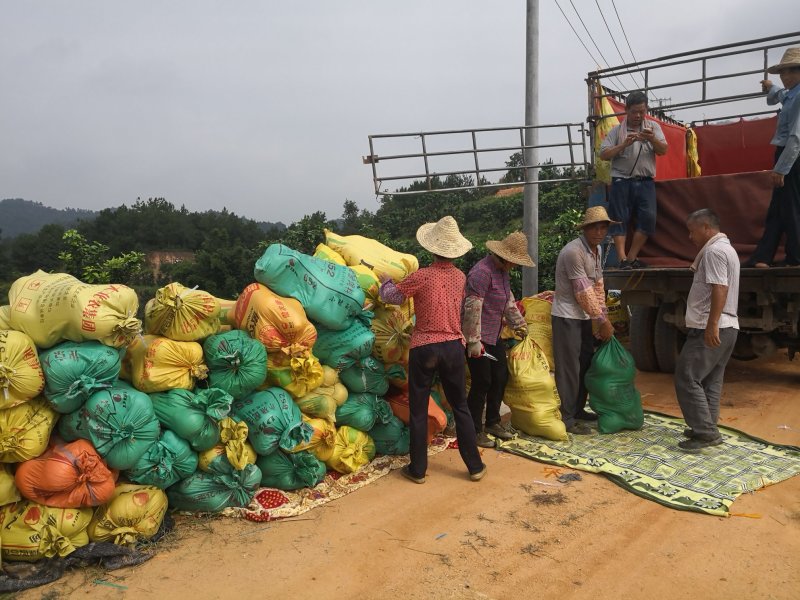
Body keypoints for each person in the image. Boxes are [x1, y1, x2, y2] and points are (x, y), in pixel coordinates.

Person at [379, 215, 487, 483]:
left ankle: (418, 470)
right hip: (452, 347)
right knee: (460, 406)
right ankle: (474, 466)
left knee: (418, 409)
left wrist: (384, 282)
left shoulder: (422, 276)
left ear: (431, 247)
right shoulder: (460, 277)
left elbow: (391, 297)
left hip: (425, 347)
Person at [674, 209, 740, 452]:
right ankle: (706, 427)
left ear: (705, 228)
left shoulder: (713, 251)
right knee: (710, 380)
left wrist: (711, 324)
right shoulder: (728, 249)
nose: (690, 237)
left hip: (712, 325)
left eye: (692, 231)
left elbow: (719, 288)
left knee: (687, 376)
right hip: (729, 325)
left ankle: (705, 433)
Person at [462, 232, 532, 448]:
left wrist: (519, 324)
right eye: (515, 261)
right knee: (482, 381)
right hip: (479, 338)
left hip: (494, 336)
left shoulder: (503, 273)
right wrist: (473, 341)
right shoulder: (481, 273)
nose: (516, 265)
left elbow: (508, 301)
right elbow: (472, 307)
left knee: (500, 376)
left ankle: (492, 421)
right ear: (504, 256)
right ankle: (474, 430)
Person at [551, 207, 616, 435]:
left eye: (603, 227)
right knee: (569, 368)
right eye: (595, 227)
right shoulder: (573, 252)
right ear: (586, 229)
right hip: (567, 316)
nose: (599, 232)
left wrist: (602, 317)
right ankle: (567, 418)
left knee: (584, 364)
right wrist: (601, 320)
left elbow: (598, 286)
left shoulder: (596, 250)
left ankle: (578, 409)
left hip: (584, 317)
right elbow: (582, 290)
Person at [744, 47, 800, 268]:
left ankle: (796, 257)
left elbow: (796, 137)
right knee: (779, 208)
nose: (785, 77)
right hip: (788, 155)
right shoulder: (792, 93)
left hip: (791, 156)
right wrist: (771, 87)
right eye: (783, 73)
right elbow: (782, 96)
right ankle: (763, 256)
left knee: (790, 207)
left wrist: (781, 168)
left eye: (790, 72)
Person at [599, 90, 668, 270]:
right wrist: (623, 144)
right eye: (634, 111)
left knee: (648, 218)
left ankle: (631, 258)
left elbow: (663, 150)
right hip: (621, 180)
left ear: (646, 111)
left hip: (645, 181)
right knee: (618, 219)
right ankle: (622, 259)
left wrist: (652, 138)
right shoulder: (616, 131)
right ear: (626, 110)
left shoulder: (653, 128)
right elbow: (604, 154)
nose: (638, 115)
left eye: (642, 111)